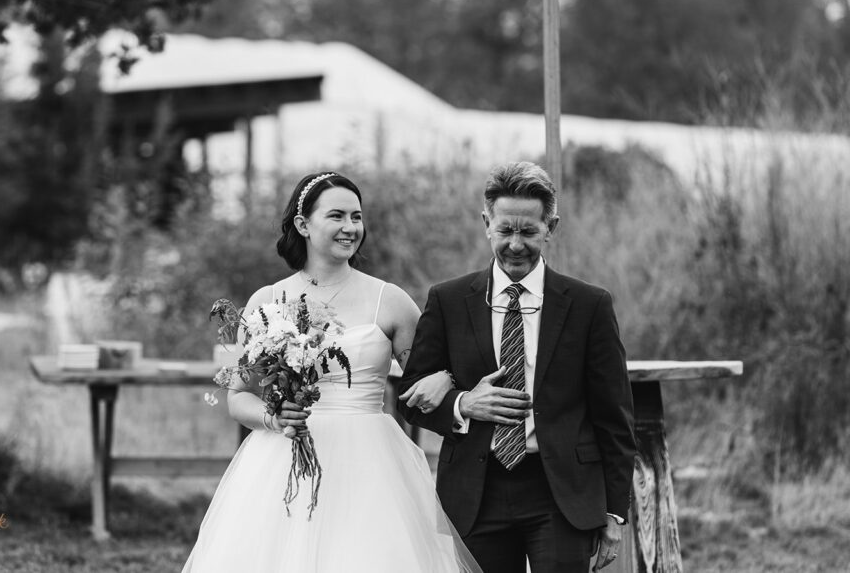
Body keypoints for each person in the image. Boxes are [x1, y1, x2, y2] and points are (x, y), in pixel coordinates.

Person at [182, 172, 482, 573]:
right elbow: (237, 396)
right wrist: (273, 417)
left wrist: (445, 376)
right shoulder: (265, 300)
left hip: (371, 464)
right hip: (282, 456)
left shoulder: (390, 301)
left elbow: (424, 379)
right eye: (337, 216)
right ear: (303, 225)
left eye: (357, 217)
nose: (351, 228)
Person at [397, 162, 637, 573]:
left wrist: (615, 513)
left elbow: (614, 417)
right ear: (486, 222)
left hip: (561, 494)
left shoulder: (589, 305)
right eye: (505, 230)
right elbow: (411, 399)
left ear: (551, 226)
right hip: (475, 493)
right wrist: (462, 405)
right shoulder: (448, 300)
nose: (515, 244)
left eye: (529, 232)